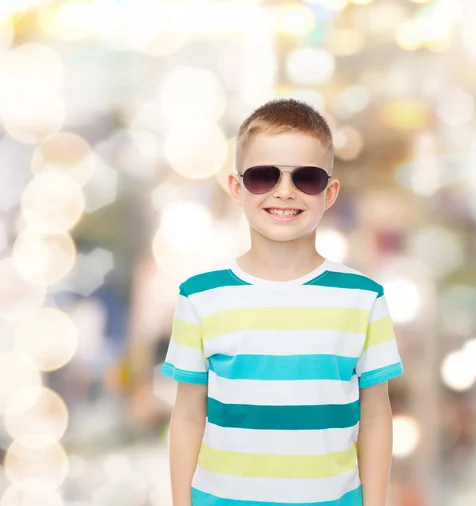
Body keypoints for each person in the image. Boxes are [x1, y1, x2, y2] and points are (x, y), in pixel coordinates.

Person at [161, 98, 404, 506]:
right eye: (263, 177)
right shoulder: (199, 296)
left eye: (306, 178)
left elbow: (376, 414)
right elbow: (187, 414)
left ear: (329, 192)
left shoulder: (364, 298)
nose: (285, 192)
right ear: (237, 187)